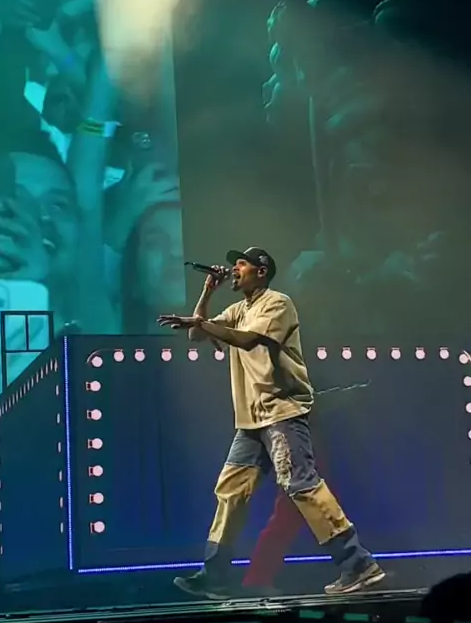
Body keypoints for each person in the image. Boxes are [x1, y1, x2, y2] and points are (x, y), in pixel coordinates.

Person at [157, 246, 385, 598]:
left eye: (241, 264)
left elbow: (247, 340)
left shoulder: (277, 303)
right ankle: (214, 573)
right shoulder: (239, 309)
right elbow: (196, 335)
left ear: (260, 271)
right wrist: (208, 291)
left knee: (302, 485)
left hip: (282, 412)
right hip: (250, 421)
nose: (235, 270)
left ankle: (358, 564)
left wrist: (200, 322)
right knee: (231, 491)